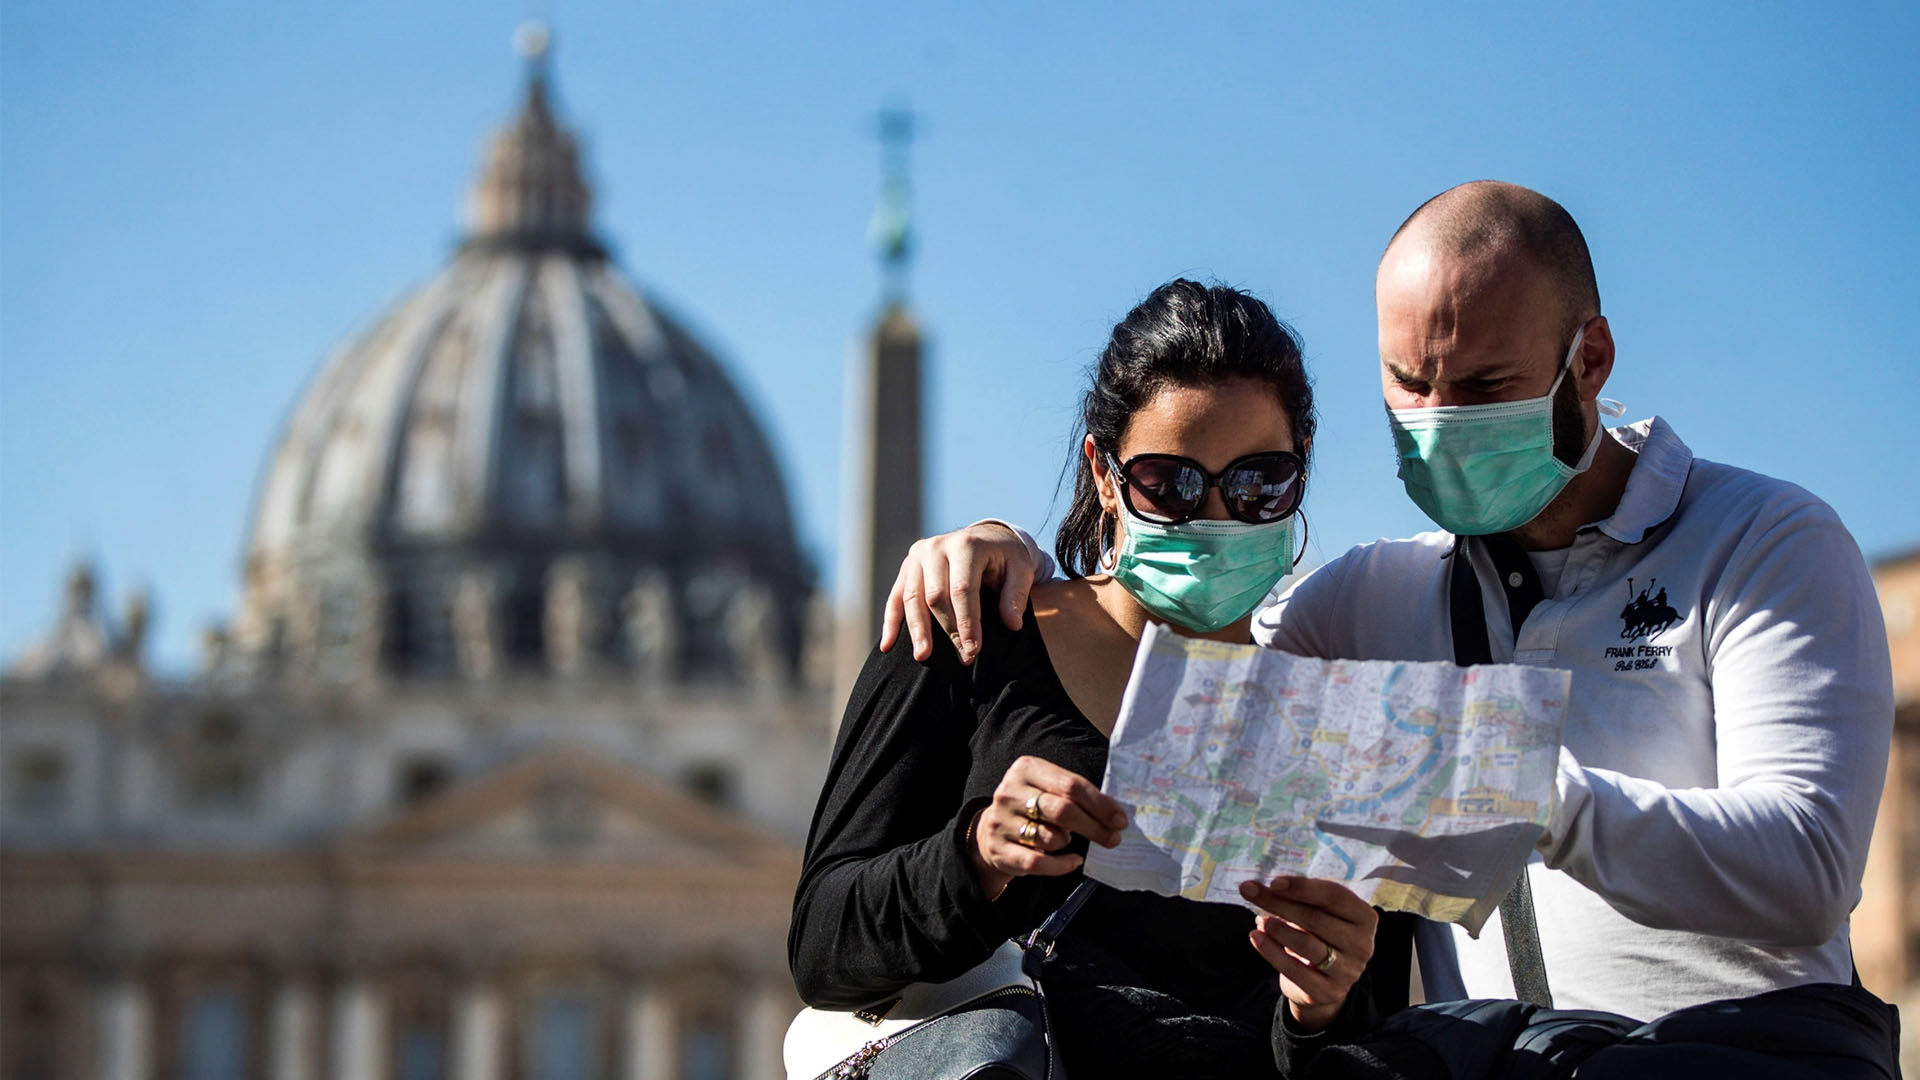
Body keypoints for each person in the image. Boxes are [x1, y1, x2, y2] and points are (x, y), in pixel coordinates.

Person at [879, 183, 1898, 1074]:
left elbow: (1808, 870)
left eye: (1485, 387)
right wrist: (1002, 543)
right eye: (1411, 384)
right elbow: (1184, 624)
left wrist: (1525, 791)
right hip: (1496, 1062)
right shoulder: (1371, 599)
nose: (1441, 418)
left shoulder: (1764, 541)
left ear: (1589, 359)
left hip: (1725, 1057)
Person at [789, 280, 1414, 1078]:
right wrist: (977, 855)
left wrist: (1323, 1006)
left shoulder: (1344, 723)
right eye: (1171, 483)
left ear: (1301, 476)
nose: (1215, 518)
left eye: (1259, 483)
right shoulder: (970, 633)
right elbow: (822, 945)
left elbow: (1371, 1041)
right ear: (1104, 473)